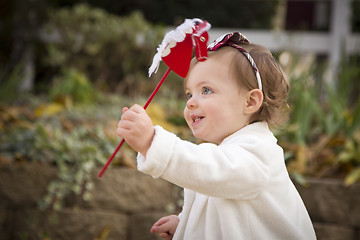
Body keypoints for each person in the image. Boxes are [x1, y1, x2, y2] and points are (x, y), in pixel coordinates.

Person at [116, 32, 316, 240]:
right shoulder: (228, 151)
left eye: (206, 90)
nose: (191, 102)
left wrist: (151, 142)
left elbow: (210, 170)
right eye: (189, 94)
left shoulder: (259, 152)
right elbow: (216, 195)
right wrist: (186, 223)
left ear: (249, 102)